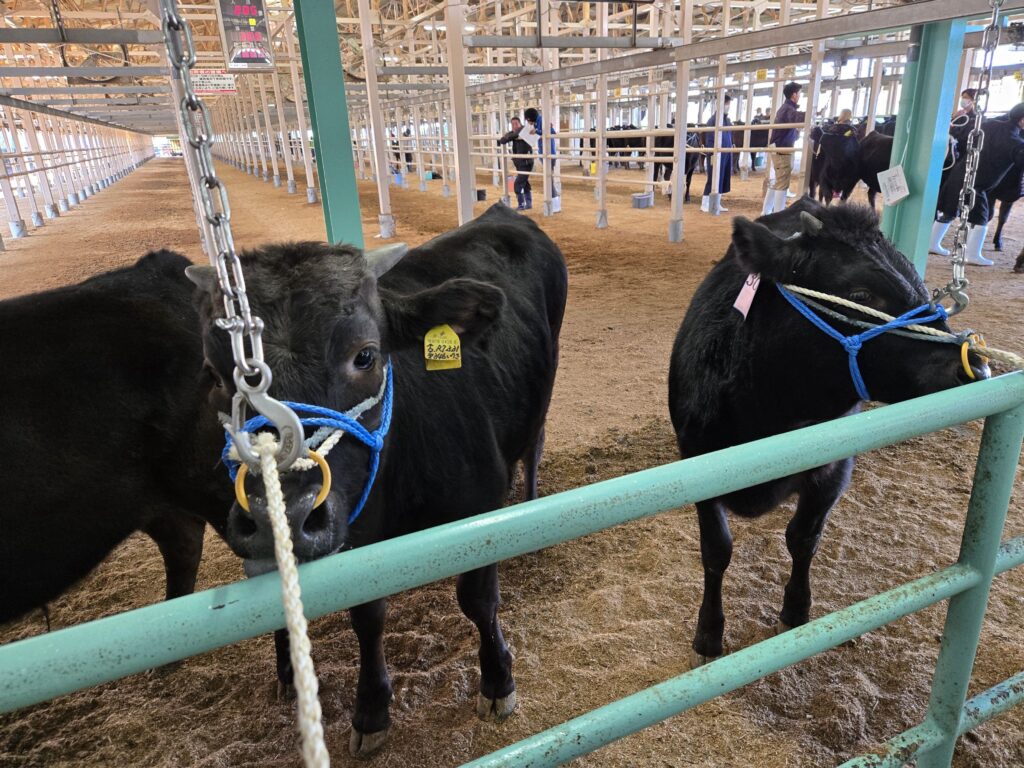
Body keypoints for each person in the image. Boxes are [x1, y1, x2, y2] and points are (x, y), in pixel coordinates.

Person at [930, 102, 1024, 266]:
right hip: (977, 184)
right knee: (981, 217)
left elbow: (965, 137)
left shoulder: (989, 125)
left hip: (960, 173)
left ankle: (932, 243)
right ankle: (972, 254)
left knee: (950, 211)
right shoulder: (1015, 142)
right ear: (1022, 120)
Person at [762, 82, 806, 215]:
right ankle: (778, 215)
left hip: (780, 147)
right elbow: (798, 117)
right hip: (781, 148)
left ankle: (766, 212)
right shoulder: (788, 109)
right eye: (799, 93)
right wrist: (811, 112)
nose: (800, 95)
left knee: (778, 180)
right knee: (782, 182)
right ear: (794, 95)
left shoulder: (786, 108)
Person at [701, 94, 733, 212]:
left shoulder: (727, 120)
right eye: (726, 104)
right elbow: (710, 139)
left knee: (722, 177)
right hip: (716, 154)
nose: (728, 106)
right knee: (712, 178)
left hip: (726, 153)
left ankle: (717, 202)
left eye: (728, 104)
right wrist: (713, 153)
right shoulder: (712, 120)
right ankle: (704, 203)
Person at [497, 116, 534, 210]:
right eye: (512, 124)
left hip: (526, 161)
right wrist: (508, 136)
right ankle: (528, 203)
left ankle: (521, 205)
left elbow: (510, 136)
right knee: (524, 182)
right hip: (519, 162)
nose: (514, 126)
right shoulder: (514, 133)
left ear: (520, 123)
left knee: (518, 183)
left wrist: (508, 136)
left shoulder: (523, 130)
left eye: (516, 124)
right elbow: (503, 141)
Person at [950, 88, 978, 161]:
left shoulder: (976, 118)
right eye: (962, 97)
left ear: (973, 100)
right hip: (952, 149)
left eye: (965, 97)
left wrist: (952, 128)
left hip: (963, 153)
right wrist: (954, 117)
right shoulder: (960, 115)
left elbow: (964, 135)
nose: (963, 100)